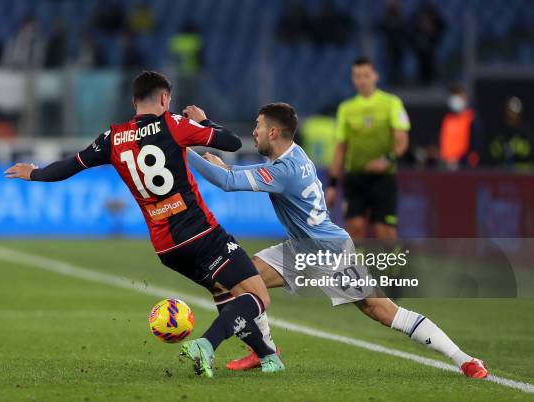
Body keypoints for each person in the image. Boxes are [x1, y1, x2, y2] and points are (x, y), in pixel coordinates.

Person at [4, 71, 283, 378]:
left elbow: (70, 166)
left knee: (223, 291)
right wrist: (204, 121)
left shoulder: (112, 138)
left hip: (166, 246)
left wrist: (34, 173)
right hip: (200, 230)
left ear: (133, 101)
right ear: (164, 98)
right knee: (258, 297)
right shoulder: (174, 124)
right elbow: (230, 142)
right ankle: (206, 344)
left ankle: (269, 357)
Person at [187, 102, 488, 379]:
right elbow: (236, 172)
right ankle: (263, 351)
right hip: (301, 247)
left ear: (274, 132)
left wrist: (180, 147)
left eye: (258, 126)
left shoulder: (285, 171)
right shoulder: (293, 154)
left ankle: (464, 359)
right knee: (241, 279)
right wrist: (207, 130)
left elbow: (227, 181)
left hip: (327, 252)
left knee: (380, 310)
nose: (253, 132)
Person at [325, 57, 409, 243]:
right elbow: (340, 148)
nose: (362, 80)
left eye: (366, 75)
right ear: (353, 79)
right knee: (354, 229)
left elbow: (402, 140)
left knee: (385, 232)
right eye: (357, 76)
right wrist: (332, 184)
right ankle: (359, 272)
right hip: (355, 177)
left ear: (375, 76)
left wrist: (386, 160)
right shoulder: (346, 109)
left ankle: (394, 272)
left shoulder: (391, 103)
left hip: (383, 178)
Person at [439, 84, 484, 170]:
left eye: (457, 95)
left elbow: (476, 146)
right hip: (447, 166)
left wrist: (464, 162)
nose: (454, 99)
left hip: (464, 166)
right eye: (453, 95)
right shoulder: (447, 119)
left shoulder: (471, 118)